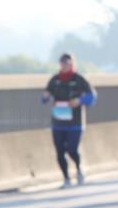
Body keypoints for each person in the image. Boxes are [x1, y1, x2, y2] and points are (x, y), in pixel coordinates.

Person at [42, 53, 97, 188]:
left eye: (68, 63)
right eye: (62, 63)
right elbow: (44, 98)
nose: (65, 66)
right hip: (58, 122)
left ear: (72, 64)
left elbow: (92, 97)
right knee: (60, 150)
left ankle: (79, 169)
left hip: (75, 123)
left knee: (72, 149)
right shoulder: (54, 80)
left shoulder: (79, 79)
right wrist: (46, 97)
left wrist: (80, 101)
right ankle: (66, 178)